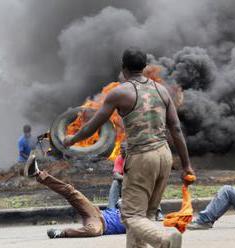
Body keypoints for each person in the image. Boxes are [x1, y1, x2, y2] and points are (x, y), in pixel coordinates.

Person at [63, 48, 195, 248]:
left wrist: (72, 139)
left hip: (142, 158)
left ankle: (165, 241)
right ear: (145, 67)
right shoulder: (162, 91)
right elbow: (175, 129)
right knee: (146, 216)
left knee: (130, 215)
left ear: (124, 68)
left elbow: (93, 126)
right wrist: (187, 166)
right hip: (164, 157)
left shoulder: (120, 92)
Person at [26, 156, 126, 238]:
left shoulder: (138, 222)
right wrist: (123, 202)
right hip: (97, 213)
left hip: (101, 226)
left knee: (93, 231)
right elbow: (121, 203)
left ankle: (61, 233)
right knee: (71, 191)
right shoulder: (136, 205)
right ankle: (37, 173)